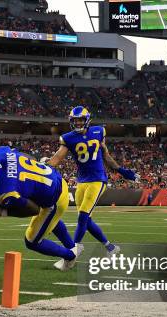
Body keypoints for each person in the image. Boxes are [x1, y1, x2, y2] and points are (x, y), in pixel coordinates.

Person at [45, 106, 138, 268]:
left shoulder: (98, 131)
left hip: (98, 180)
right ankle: (111, 247)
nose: (78, 122)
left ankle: (72, 251)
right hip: (82, 181)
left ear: (87, 120)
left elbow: (106, 156)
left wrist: (123, 171)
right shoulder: (68, 138)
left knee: (82, 216)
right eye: (75, 120)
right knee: (86, 220)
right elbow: (57, 157)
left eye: (81, 119)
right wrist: (44, 166)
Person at [0, 147, 79, 270]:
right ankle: (72, 246)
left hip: (56, 199)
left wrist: (6, 211)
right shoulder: (0, 153)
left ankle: (70, 256)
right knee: (48, 220)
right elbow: (30, 158)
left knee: (32, 240)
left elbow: (34, 210)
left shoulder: (6, 191)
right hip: (55, 178)